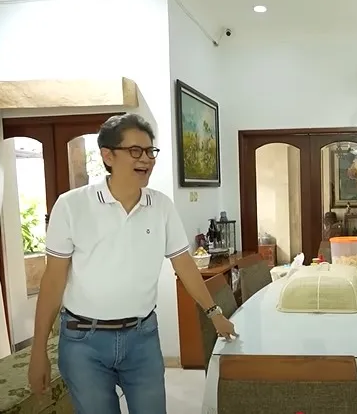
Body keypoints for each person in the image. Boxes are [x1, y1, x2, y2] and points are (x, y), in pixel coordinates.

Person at [27, 114, 238, 414]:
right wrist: (38, 351)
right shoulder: (72, 206)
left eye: (150, 151)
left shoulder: (161, 206)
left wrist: (214, 313)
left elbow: (184, 265)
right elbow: (53, 281)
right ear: (108, 156)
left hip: (142, 338)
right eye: (136, 151)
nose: (146, 159)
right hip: (83, 342)